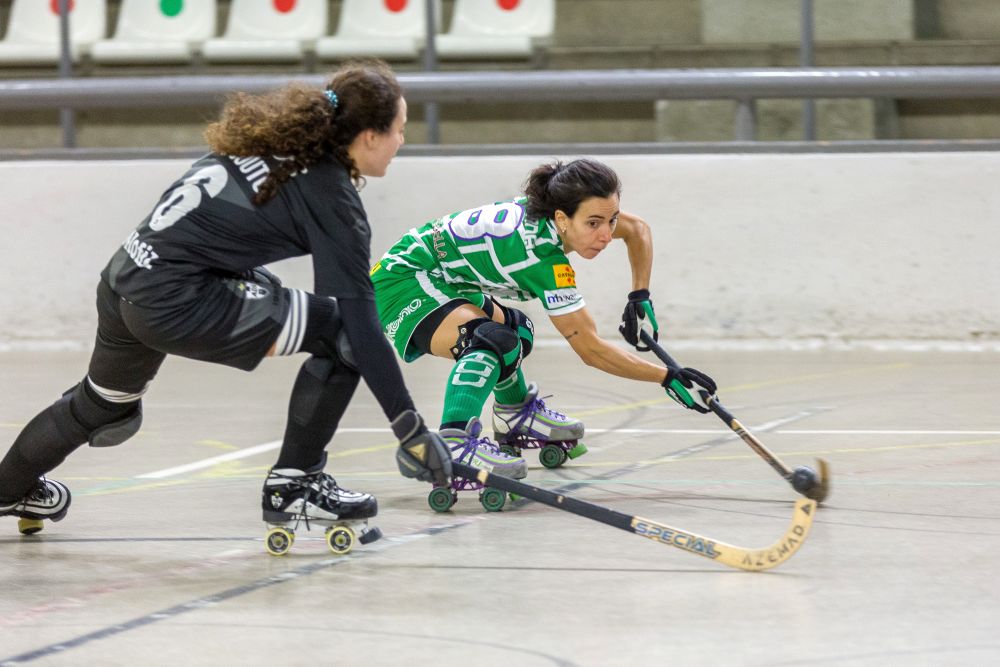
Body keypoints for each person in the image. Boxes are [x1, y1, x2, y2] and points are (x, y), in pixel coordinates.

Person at [0, 60, 452, 549]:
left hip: (125, 279)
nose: (402, 141)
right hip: (176, 299)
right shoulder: (334, 198)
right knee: (340, 334)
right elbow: (363, 331)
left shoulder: (272, 139)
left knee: (103, 405)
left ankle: (7, 489)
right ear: (368, 136)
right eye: (400, 130)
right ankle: (294, 484)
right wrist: (411, 429)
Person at [371, 158, 717, 498]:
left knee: (518, 332)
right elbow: (591, 350)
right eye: (594, 224)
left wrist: (639, 295)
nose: (606, 234)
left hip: (444, 277)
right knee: (490, 341)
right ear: (562, 219)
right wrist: (667, 377)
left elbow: (637, 229)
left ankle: (514, 414)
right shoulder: (541, 257)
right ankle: (455, 442)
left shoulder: (561, 212)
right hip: (405, 281)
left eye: (611, 220)